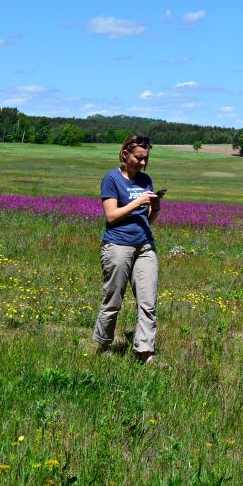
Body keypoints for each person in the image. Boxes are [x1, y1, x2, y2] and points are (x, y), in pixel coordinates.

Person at [92, 134, 162, 364]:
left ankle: (145, 353)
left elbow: (148, 220)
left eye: (146, 159)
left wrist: (155, 207)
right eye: (138, 158)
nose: (143, 163)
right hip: (118, 244)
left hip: (144, 244)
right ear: (125, 154)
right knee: (114, 299)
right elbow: (111, 216)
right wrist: (136, 203)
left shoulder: (146, 180)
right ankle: (104, 345)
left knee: (148, 301)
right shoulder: (111, 179)